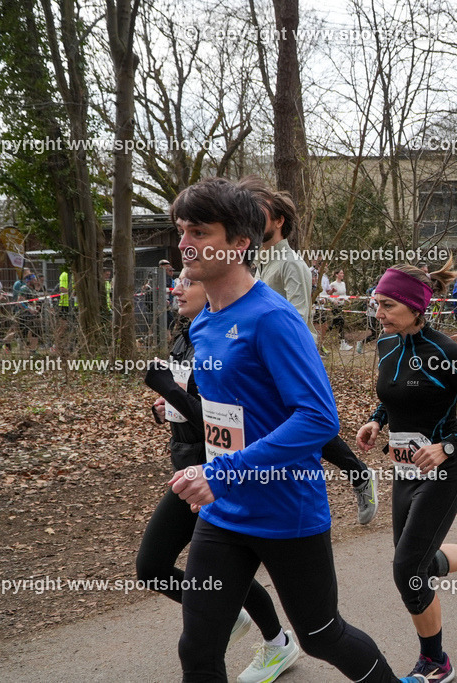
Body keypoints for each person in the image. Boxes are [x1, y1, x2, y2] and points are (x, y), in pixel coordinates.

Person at [166, 177, 422, 683]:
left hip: (286, 511)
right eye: (181, 230)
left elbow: (319, 419)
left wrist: (223, 472)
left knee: (322, 634)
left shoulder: (273, 319)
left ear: (239, 242)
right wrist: (187, 420)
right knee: (197, 648)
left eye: (199, 231)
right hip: (224, 512)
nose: (184, 244)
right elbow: (231, 413)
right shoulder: (203, 323)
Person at [356, 262, 457, 682]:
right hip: (405, 471)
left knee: (407, 570)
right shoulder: (387, 343)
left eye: (388, 305)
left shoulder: (446, 353)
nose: (379, 312)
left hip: (444, 472)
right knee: (415, 564)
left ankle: (436, 661)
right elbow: (396, 394)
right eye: (377, 303)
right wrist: (376, 420)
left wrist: (448, 447)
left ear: (415, 307)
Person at [141, 276, 295, 683]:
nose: (176, 289)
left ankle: (277, 642)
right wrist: (164, 406)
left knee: (219, 570)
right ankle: (242, 620)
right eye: (177, 281)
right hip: (187, 466)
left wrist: (169, 390)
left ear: (210, 289)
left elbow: (220, 421)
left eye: (187, 282)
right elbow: (188, 407)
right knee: (155, 567)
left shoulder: (228, 339)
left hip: (221, 473)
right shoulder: (185, 337)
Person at [242, 175, 378, 525]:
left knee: (308, 426)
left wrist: (278, 362)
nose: (252, 219)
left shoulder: (292, 264)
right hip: (261, 363)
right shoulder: (258, 262)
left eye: (259, 213)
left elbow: (298, 318)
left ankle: (358, 475)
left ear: (278, 220)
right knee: (282, 429)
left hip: (290, 363)